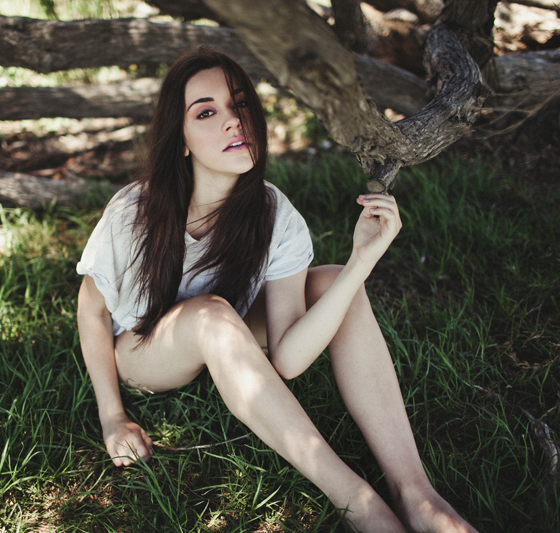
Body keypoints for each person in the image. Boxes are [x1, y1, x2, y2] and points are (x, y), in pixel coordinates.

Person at [76, 46, 478, 533]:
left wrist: (361, 261)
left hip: (224, 333)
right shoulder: (135, 211)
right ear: (179, 139)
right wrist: (112, 416)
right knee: (212, 314)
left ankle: (416, 493)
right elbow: (92, 311)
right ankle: (359, 502)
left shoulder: (274, 214)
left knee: (331, 281)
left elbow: (288, 357)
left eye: (240, 103)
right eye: (206, 112)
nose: (233, 121)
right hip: (144, 351)